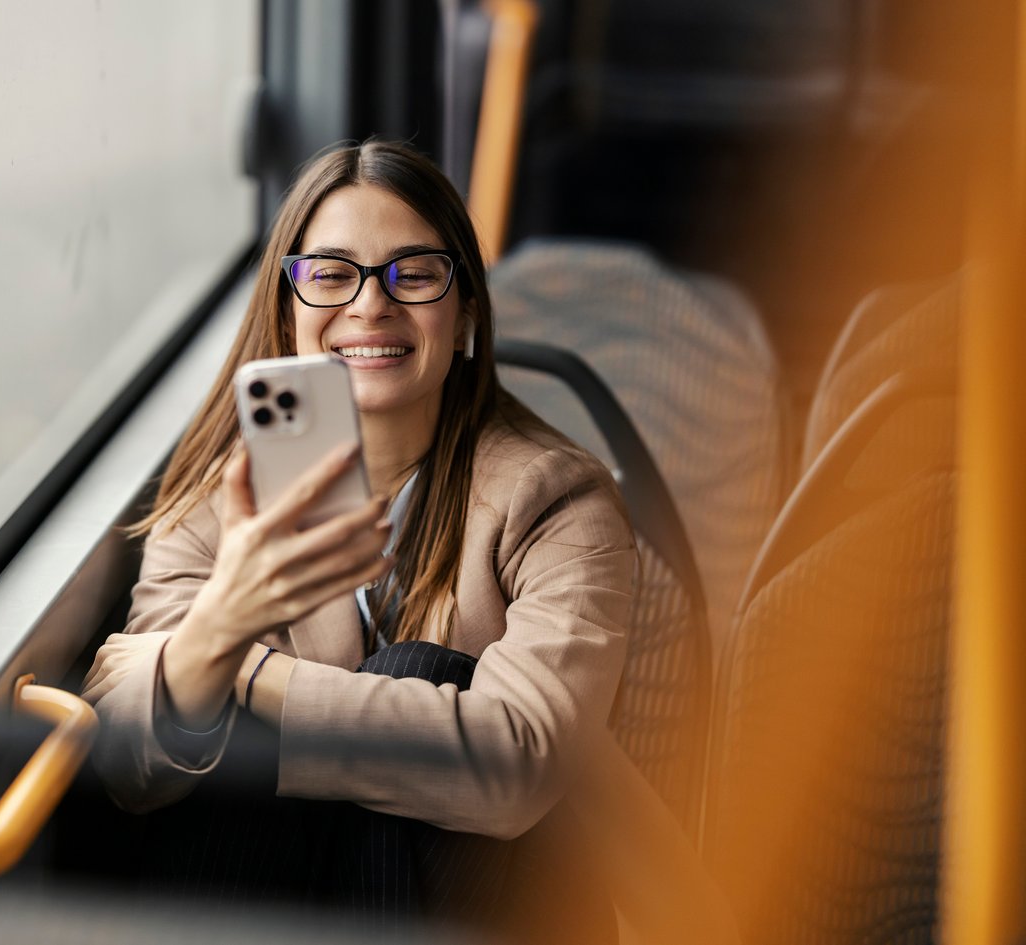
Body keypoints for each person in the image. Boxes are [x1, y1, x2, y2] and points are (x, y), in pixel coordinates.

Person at [81, 140, 711, 940]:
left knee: (416, 671)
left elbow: (513, 765)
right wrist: (218, 628)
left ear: (467, 311)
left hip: (495, 910)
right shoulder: (221, 499)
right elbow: (126, 769)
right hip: (272, 895)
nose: (370, 305)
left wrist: (234, 659)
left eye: (412, 274)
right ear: (286, 308)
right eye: (330, 274)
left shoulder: (556, 499)